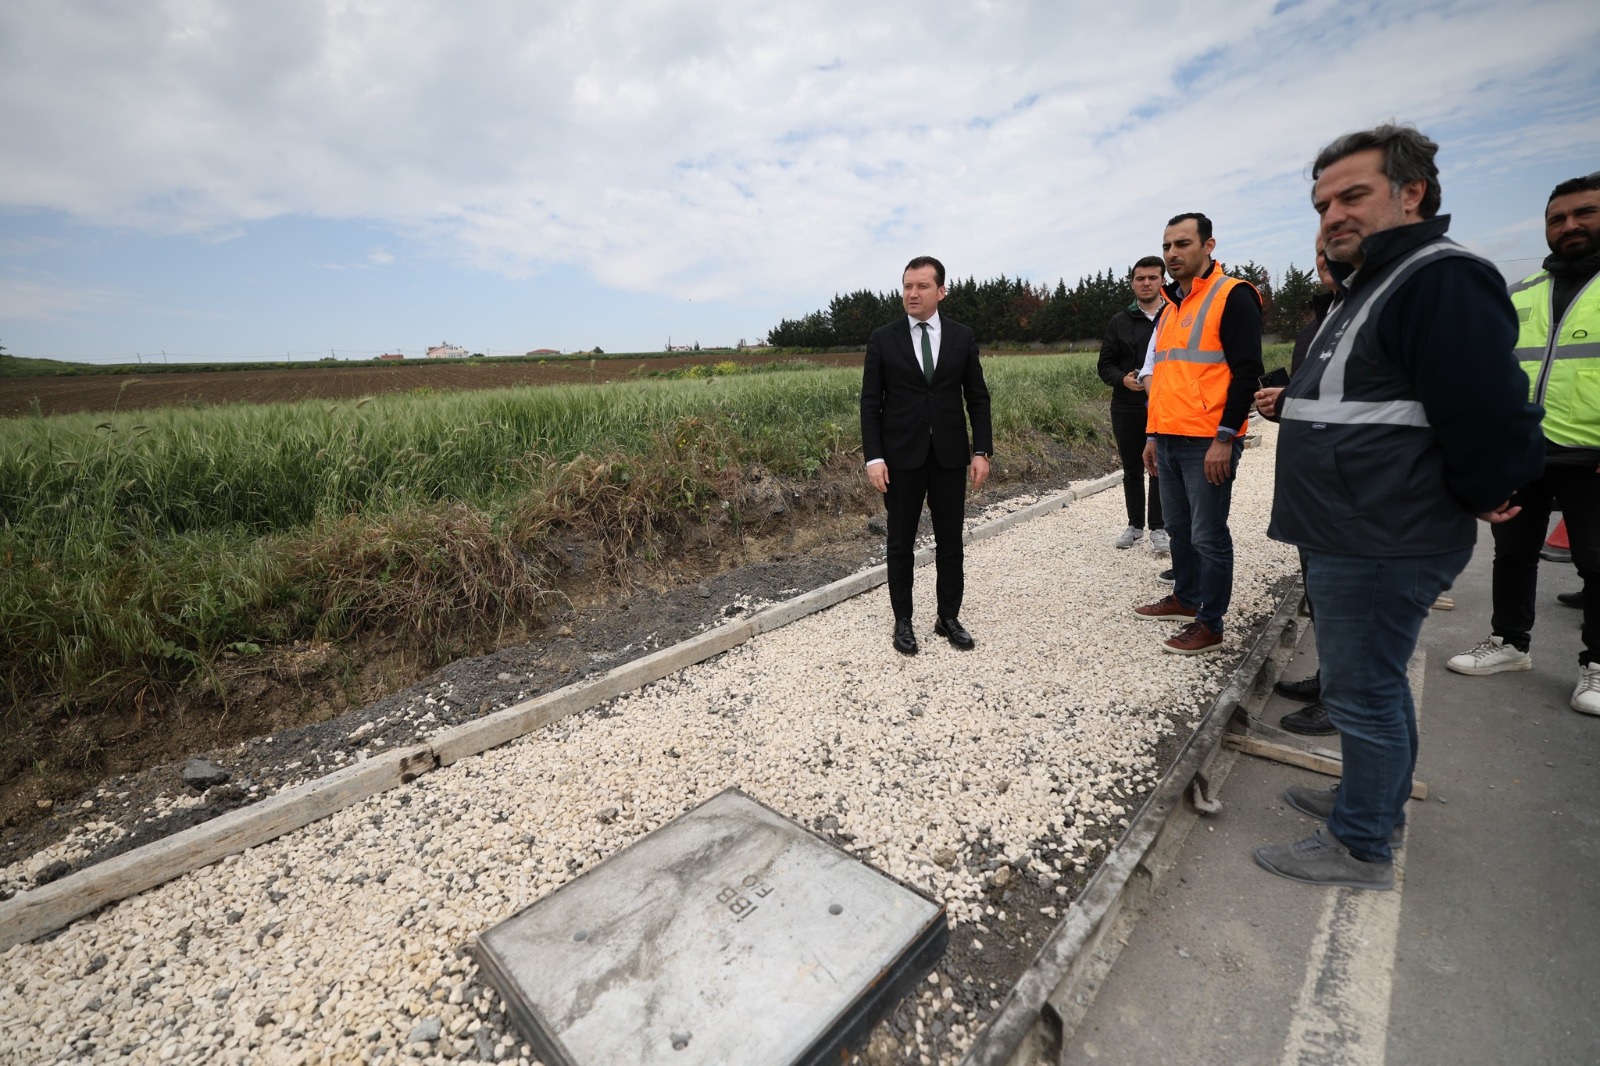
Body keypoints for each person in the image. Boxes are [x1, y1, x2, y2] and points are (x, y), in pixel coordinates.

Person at [1253, 124, 1544, 890]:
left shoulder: (1438, 280)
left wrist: (1490, 491)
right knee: (1366, 683)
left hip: (1383, 533)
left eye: (1353, 195)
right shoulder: (1374, 284)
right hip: (1355, 526)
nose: (1332, 216)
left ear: (1411, 192)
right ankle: (1366, 798)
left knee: (1364, 688)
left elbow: (1491, 411)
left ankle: (1360, 843)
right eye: (1322, 205)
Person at [1445, 173, 1600, 715]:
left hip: (1592, 457)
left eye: (1585, 214)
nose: (1570, 226)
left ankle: (1596, 666)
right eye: (1557, 218)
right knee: (1513, 554)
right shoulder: (1522, 295)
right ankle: (1510, 643)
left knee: (1595, 561)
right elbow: (1491, 374)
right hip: (1524, 451)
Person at [1132, 213, 1264, 655]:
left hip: (1207, 442)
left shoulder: (1233, 295)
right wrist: (1152, 434)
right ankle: (1186, 599)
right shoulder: (1172, 306)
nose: (1173, 254)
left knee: (1209, 534)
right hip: (1167, 438)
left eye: (1183, 244)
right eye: (1168, 245)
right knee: (1178, 529)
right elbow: (1164, 377)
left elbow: (1247, 373)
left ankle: (1211, 622)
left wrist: (1225, 438)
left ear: (1208, 246)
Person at [861, 255, 993, 656]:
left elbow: (977, 397)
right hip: (900, 460)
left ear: (941, 291)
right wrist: (874, 458)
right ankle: (903, 621)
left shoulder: (960, 336)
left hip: (950, 457)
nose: (912, 293)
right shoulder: (884, 338)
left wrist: (982, 450)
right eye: (906, 286)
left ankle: (947, 617)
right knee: (900, 542)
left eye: (921, 286)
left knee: (951, 540)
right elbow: (870, 403)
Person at [1256, 240, 1340, 735]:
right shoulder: (1320, 323)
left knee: (1346, 595)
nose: (1325, 257)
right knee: (1320, 587)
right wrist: (1284, 401)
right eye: (1320, 249)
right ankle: (1330, 680)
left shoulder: (1374, 316)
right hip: (1309, 475)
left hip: (1345, 480)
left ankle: (1343, 699)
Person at [1098, 257, 1170, 553]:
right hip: (1127, 406)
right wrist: (1121, 380)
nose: (1146, 283)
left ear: (1162, 281)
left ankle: (1159, 527)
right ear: (1132, 283)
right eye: (1140, 278)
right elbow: (1104, 365)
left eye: (1152, 278)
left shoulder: (1174, 315)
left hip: (1165, 404)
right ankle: (1135, 525)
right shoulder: (1120, 321)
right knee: (1131, 467)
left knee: (1161, 467)